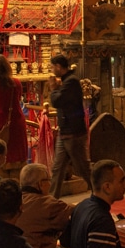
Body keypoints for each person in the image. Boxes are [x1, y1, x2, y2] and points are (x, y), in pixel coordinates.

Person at [17, 163, 72, 248]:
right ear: (40, 184)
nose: (50, 183)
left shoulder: (15, 201)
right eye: (48, 180)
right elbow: (76, 213)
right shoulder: (47, 204)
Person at [47, 54, 90, 198]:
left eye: (53, 66)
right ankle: (52, 199)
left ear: (59, 67)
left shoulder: (71, 82)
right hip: (65, 132)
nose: (52, 70)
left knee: (82, 168)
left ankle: (98, 191)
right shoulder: (66, 82)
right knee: (57, 169)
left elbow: (57, 101)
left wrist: (53, 89)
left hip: (73, 133)